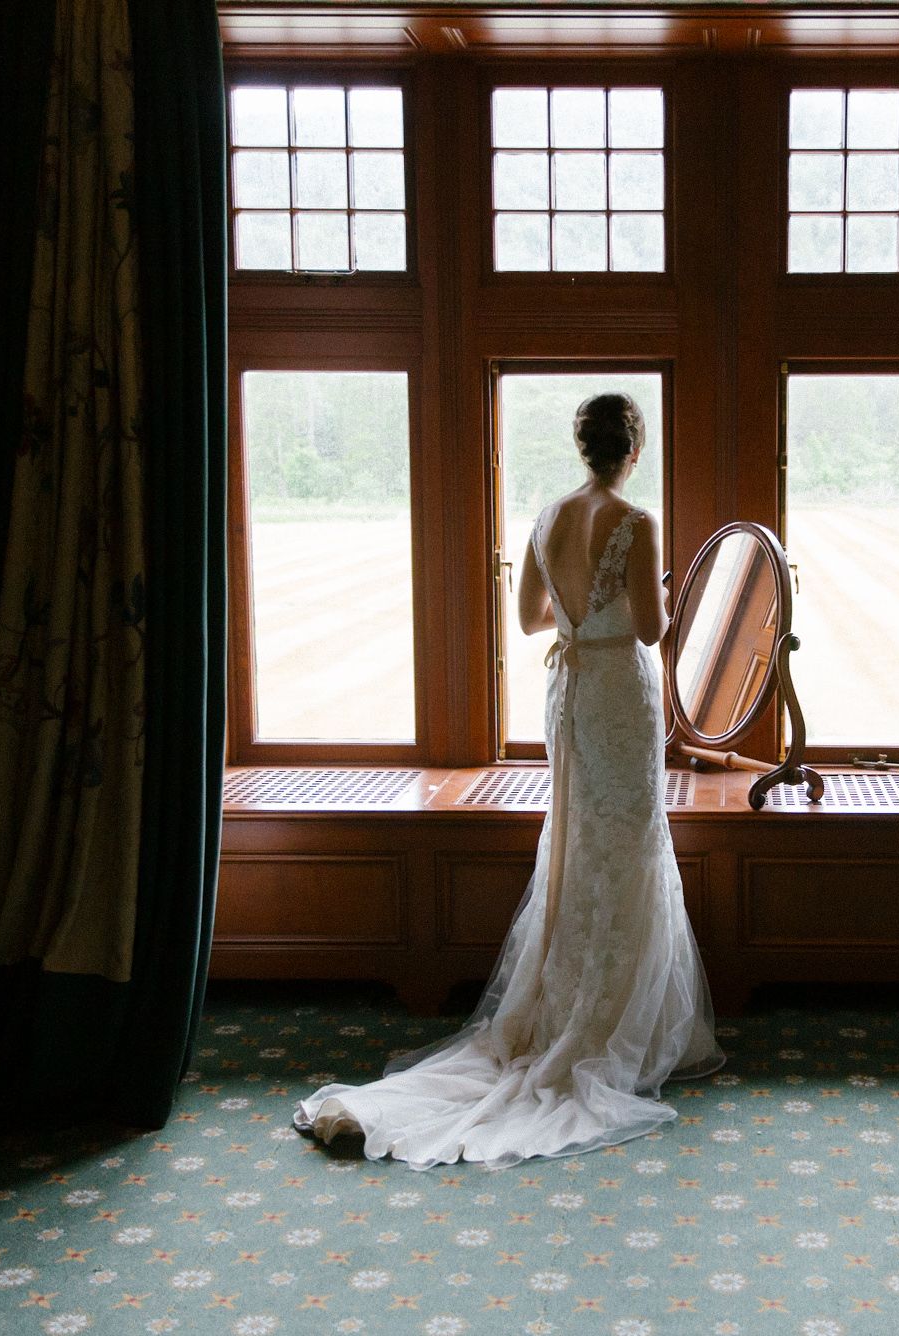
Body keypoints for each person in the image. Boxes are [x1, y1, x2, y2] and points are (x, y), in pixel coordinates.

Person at [295, 393, 724, 1168]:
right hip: (620, 690)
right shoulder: (637, 521)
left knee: (581, 838)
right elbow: (656, 629)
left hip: (570, 689)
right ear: (633, 452)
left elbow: (529, 620)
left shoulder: (546, 518)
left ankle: (564, 1005)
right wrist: (648, 588)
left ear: (581, 447)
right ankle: (615, 1021)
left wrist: (577, 614)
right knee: (626, 841)